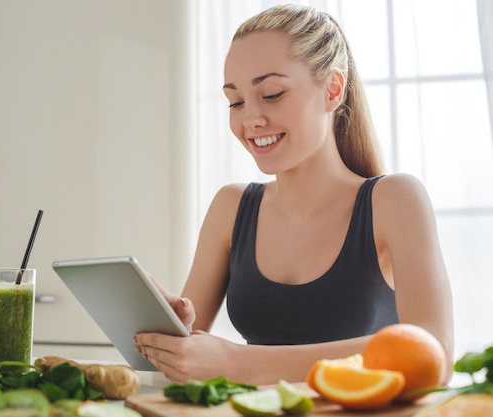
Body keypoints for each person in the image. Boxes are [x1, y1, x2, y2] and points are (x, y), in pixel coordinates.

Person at [134, 4, 454, 384]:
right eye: (235, 101)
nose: (250, 119)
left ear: (332, 90)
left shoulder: (394, 200)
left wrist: (237, 362)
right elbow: (176, 367)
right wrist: (168, 326)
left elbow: (433, 353)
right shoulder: (231, 207)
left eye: (271, 94)